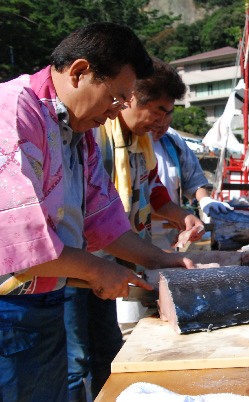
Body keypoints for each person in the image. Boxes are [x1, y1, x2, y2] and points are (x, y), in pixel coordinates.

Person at [0, 23, 194, 402]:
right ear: (79, 72)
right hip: (9, 309)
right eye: (117, 98)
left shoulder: (80, 132)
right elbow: (20, 242)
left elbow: (104, 220)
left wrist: (162, 260)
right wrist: (99, 269)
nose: (115, 112)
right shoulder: (13, 113)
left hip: (46, 301)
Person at [64, 57, 205, 401]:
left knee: (108, 349)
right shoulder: (94, 135)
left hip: (115, 262)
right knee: (74, 357)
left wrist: (181, 215)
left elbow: (154, 192)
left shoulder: (144, 146)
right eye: (157, 110)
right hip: (75, 263)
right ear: (130, 98)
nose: (162, 120)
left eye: (168, 112)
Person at [150, 103, 232, 250]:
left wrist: (205, 199)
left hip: (168, 237)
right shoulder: (125, 143)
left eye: (166, 124)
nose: (161, 130)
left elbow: (192, 177)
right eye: (155, 125)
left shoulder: (171, 138)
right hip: (129, 236)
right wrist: (179, 216)